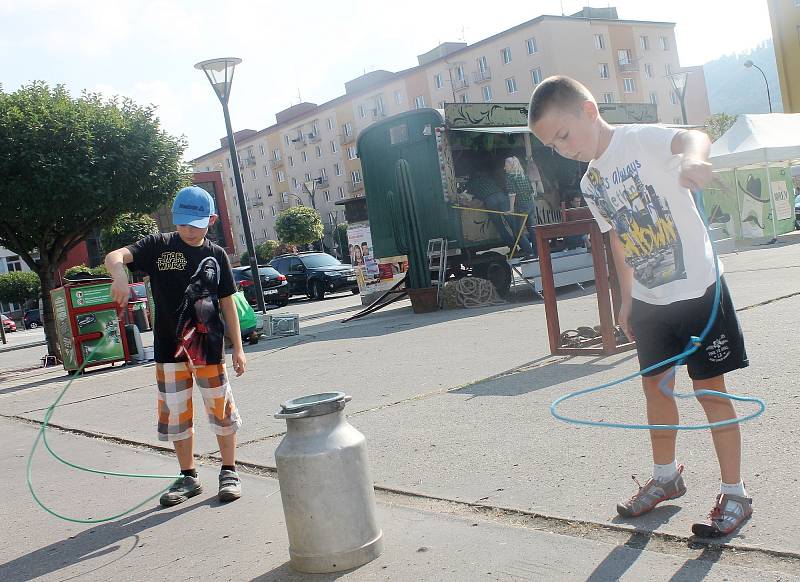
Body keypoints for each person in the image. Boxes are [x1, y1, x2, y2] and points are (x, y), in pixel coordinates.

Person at [529, 76, 751, 538]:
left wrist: (693, 158)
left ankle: (736, 492)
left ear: (589, 110)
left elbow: (692, 135)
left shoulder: (640, 139)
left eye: (563, 134)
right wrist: (625, 301)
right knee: (657, 390)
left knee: (711, 392)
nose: (561, 148)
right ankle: (667, 478)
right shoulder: (592, 182)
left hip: (699, 291)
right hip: (651, 302)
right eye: (552, 145)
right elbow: (618, 239)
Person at [106, 186, 246, 507]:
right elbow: (116, 256)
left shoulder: (217, 255)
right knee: (177, 417)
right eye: (183, 223)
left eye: (196, 224)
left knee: (221, 410)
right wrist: (119, 274)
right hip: (169, 350)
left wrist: (237, 348)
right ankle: (188, 476)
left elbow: (227, 304)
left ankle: (229, 471)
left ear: (211, 220)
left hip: (208, 347)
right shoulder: (159, 246)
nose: (188, 230)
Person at [467, 171, 535, 258]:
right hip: (502, 197)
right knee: (513, 225)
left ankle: (512, 247)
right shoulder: (489, 179)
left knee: (500, 225)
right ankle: (525, 247)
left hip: (490, 201)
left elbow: (472, 197)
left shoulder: (472, 183)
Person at [504, 156, 538, 258]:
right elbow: (532, 192)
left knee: (518, 232)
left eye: (506, 165)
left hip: (521, 207)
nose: (504, 168)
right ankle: (538, 252)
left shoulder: (510, 177)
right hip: (530, 205)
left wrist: (511, 209)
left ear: (511, 165)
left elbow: (512, 194)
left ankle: (530, 252)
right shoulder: (524, 176)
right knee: (532, 230)